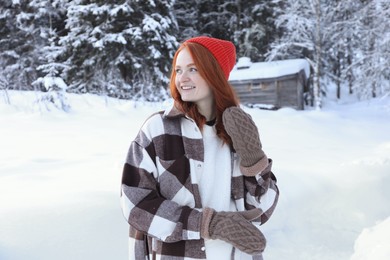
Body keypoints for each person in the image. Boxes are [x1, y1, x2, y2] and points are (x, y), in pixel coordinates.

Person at [120, 36, 279, 260]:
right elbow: (135, 204)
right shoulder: (158, 129)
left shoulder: (237, 129)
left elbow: (262, 209)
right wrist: (209, 224)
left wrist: (253, 160)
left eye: (192, 69)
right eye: (178, 70)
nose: (182, 78)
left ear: (214, 74)